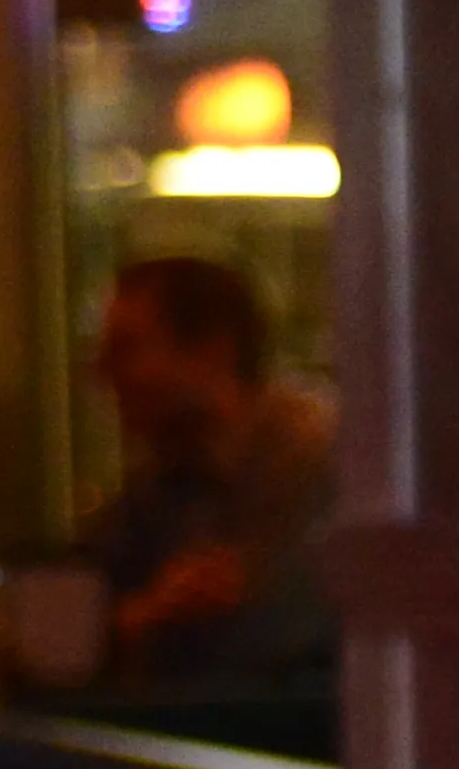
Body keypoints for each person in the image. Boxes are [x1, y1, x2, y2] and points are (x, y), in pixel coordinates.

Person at [62, 251, 336, 692]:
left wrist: (139, 621)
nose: (100, 372)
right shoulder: (162, 478)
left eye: (124, 349)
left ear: (213, 352)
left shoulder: (313, 459)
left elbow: (276, 640)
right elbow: (82, 615)